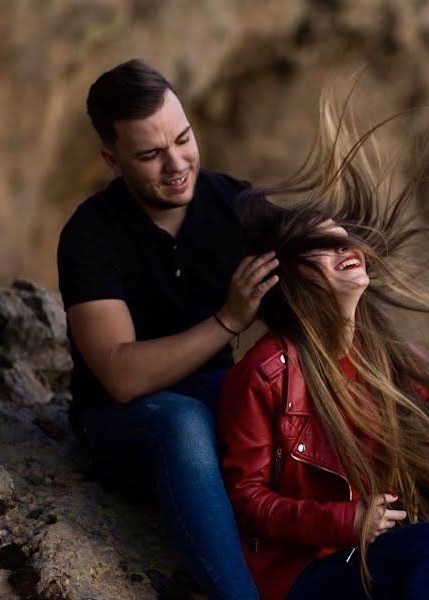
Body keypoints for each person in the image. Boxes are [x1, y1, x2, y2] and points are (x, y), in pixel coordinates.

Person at [217, 98, 429, 600]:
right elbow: (246, 499)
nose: (349, 251)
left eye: (347, 240)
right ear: (294, 277)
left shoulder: (377, 347)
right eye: (326, 246)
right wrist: (346, 522)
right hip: (309, 570)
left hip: (376, 537)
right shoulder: (264, 375)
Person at [56, 59, 277, 599]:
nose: (176, 163)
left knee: (290, 392)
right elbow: (121, 376)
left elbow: (326, 298)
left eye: (183, 138)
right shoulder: (91, 235)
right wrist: (229, 319)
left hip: (215, 398)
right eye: (151, 155)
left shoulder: (237, 205)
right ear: (113, 160)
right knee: (183, 422)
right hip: (124, 422)